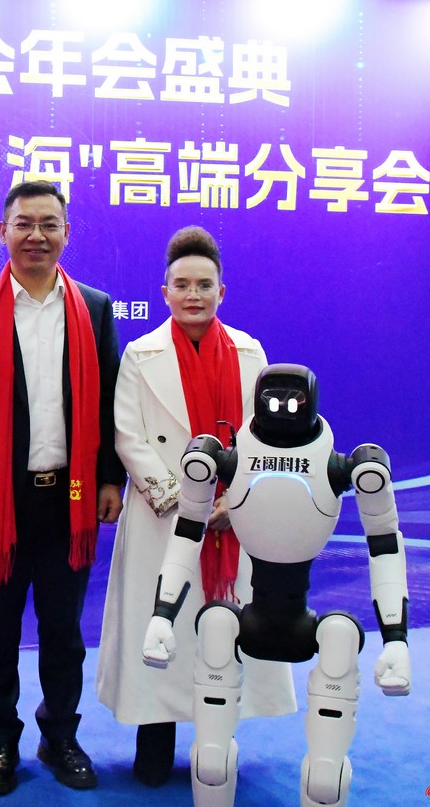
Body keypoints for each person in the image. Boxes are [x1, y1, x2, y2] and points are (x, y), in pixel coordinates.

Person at [0, 180, 126, 796]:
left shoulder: (94, 308)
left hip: (69, 498)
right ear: (3, 232)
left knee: (63, 631)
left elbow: (110, 403)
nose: (36, 236)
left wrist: (109, 478)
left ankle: (60, 735)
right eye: (24, 224)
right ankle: (0, 738)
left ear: (66, 233)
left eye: (49, 224)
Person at [95, 226, 296, 788]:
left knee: (222, 628)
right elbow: (128, 436)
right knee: (161, 629)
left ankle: (216, 741)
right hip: (163, 518)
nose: (193, 295)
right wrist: (184, 501)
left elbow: (266, 436)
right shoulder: (140, 354)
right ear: (165, 292)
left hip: (234, 518)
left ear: (221, 292)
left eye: (204, 285)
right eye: (181, 285)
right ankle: (154, 744)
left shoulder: (251, 353)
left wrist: (234, 497)